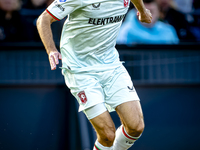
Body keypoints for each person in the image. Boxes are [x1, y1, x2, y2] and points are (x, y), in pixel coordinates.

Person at [36, 0, 152, 149]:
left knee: (136, 127)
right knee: (107, 135)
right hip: (79, 70)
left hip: (111, 65)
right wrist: (51, 50)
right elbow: (43, 19)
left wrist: (142, 11)